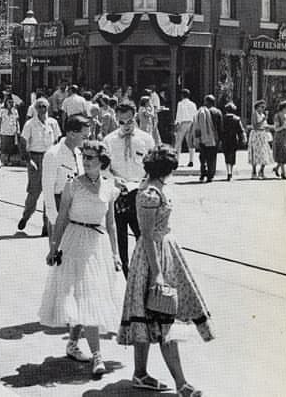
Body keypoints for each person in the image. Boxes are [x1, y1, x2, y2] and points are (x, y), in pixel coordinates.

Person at [117, 145, 214, 397]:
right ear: (164, 169)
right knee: (163, 315)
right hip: (153, 256)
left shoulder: (154, 187)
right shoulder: (150, 193)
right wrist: (158, 273)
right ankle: (182, 384)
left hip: (165, 251)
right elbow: (147, 235)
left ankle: (140, 373)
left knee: (149, 315)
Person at [40, 140, 125, 378]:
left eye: (91, 158)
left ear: (102, 162)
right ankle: (98, 355)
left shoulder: (109, 188)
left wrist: (115, 254)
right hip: (74, 242)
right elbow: (62, 218)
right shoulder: (73, 185)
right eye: (84, 157)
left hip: (98, 246)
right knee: (85, 295)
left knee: (88, 296)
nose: (86, 161)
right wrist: (53, 248)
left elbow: (111, 224)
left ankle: (73, 343)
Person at [103, 100, 155, 276]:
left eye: (129, 121)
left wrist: (146, 183)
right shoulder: (109, 141)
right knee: (120, 240)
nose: (126, 126)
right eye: (121, 122)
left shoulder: (146, 140)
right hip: (118, 195)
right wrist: (114, 178)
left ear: (136, 118)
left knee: (144, 238)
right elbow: (103, 168)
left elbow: (153, 167)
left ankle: (144, 276)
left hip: (140, 194)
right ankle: (126, 277)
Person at [40, 115, 89, 239]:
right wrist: (53, 218)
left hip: (77, 206)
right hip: (60, 205)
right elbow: (47, 188)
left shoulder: (78, 153)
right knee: (59, 252)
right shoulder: (53, 154)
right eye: (84, 136)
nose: (87, 139)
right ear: (72, 134)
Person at [18, 97, 62, 234]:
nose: (42, 109)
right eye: (39, 107)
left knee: (50, 193)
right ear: (35, 109)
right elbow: (23, 141)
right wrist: (28, 159)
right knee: (34, 192)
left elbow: (59, 140)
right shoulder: (30, 124)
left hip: (50, 157)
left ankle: (46, 226)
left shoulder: (53, 123)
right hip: (35, 158)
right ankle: (26, 216)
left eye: (44, 106)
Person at [192, 95, 222, 183]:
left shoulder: (200, 111)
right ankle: (210, 175)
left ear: (206, 102)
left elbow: (196, 125)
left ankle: (202, 173)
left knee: (202, 156)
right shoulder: (217, 112)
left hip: (203, 138)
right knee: (212, 157)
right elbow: (220, 127)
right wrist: (220, 139)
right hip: (214, 138)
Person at [220, 103, 246, 181]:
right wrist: (243, 138)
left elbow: (220, 129)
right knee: (232, 155)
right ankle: (230, 171)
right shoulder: (237, 119)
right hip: (234, 139)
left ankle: (228, 172)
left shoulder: (223, 118)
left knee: (226, 156)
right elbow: (241, 130)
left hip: (225, 139)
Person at [248, 99, 273, 179]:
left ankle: (261, 171)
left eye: (264, 107)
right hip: (256, 135)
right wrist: (263, 120)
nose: (263, 109)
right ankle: (254, 172)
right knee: (255, 153)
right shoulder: (255, 114)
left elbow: (264, 125)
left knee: (265, 153)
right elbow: (255, 126)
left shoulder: (262, 115)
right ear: (257, 107)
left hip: (263, 134)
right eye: (262, 107)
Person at [173, 89, 197, 167]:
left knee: (178, 142)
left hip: (183, 123)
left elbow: (179, 115)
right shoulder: (193, 104)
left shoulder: (180, 104)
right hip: (191, 123)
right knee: (190, 142)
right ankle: (191, 160)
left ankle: (176, 160)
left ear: (182, 95)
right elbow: (195, 115)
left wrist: (177, 123)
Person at [272, 100, 286, 179]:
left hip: (285, 137)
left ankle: (277, 168)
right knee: (283, 154)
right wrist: (284, 126)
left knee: (284, 155)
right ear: (284, 107)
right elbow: (276, 128)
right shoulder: (277, 116)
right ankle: (283, 173)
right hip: (279, 137)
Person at [0, 96, 20, 166]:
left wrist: (18, 129)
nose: (10, 103)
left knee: (11, 147)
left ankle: (9, 160)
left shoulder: (15, 111)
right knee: (4, 147)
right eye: (9, 102)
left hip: (12, 131)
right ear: (6, 102)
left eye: (12, 102)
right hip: (4, 131)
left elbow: (17, 121)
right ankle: (3, 160)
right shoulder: (2, 111)